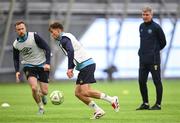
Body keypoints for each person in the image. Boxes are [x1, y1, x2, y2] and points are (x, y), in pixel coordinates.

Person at [48, 22, 119, 119]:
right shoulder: (65, 38)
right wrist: (72, 68)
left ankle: (112, 99)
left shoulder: (65, 39)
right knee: (78, 93)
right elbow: (73, 54)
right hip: (84, 66)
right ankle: (98, 110)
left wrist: (69, 68)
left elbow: (71, 52)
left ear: (58, 30)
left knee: (85, 92)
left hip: (87, 65)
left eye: (52, 32)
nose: (52, 34)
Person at [13, 21, 51, 114]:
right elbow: (15, 59)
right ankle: (41, 108)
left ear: (25, 28)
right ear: (16, 31)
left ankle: (42, 95)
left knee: (45, 92)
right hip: (29, 66)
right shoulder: (16, 44)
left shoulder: (34, 36)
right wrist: (17, 71)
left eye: (22, 28)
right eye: (19, 29)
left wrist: (48, 63)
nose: (21, 31)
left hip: (42, 65)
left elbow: (47, 48)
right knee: (34, 88)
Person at [136, 6, 166, 110]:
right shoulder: (141, 26)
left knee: (157, 81)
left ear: (151, 15)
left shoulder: (156, 27)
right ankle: (145, 103)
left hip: (154, 60)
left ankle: (158, 104)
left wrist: (154, 51)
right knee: (141, 81)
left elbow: (163, 42)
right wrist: (141, 52)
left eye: (147, 14)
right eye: (143, 14)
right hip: (143, 60)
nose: (145, 16)